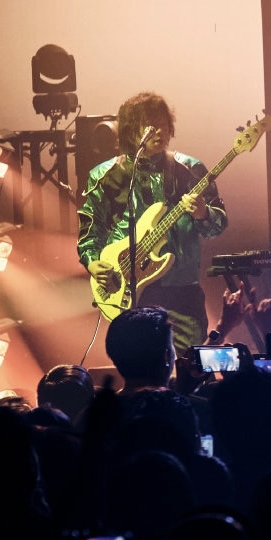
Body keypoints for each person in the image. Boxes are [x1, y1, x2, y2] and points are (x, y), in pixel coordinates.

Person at [79, 93, 229, 350]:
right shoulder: (105, 175)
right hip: (128, 290)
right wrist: (93, 263)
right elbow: (90, 231)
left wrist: (204, 214)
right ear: (130, 130)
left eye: (163, 124)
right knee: (138, 364)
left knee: (188, 363)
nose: (160, 131)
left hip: (181, 291)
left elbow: (220, 223)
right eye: (150, 125)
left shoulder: (189, 169)